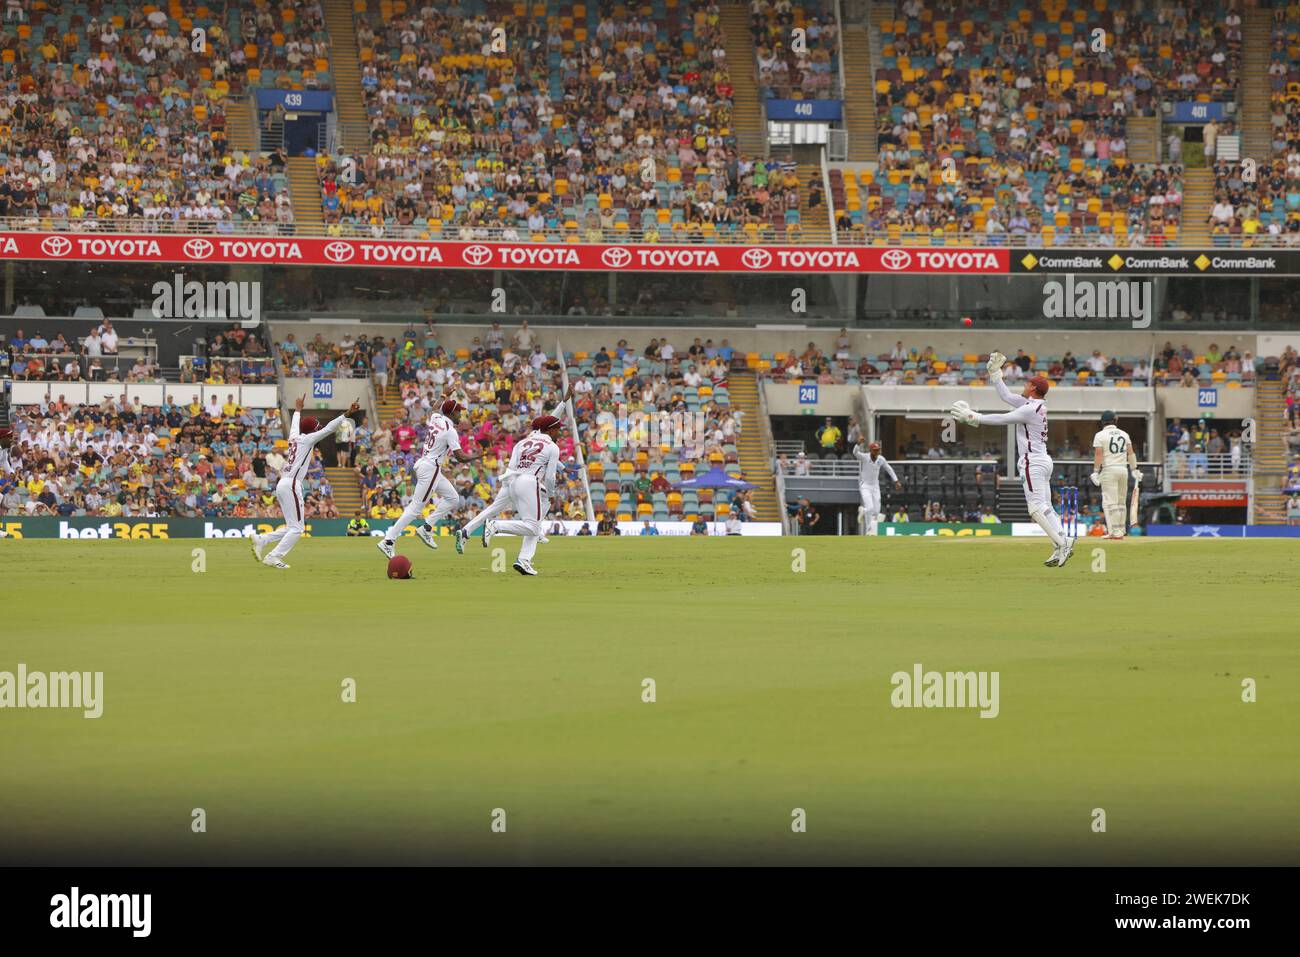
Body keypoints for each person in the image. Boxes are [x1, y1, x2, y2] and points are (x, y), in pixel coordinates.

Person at [949, 351, 1075, 567]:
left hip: (1031, 461)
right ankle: (1063, 541)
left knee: (1035, 509)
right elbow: (1006, 396)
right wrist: (995, 374)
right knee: (1046, 508)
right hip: (1043, 459)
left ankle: (1062, 543)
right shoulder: (1035, 405)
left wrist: (973, 417)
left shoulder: (1029, 409)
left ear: (1033, 388)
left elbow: (1003, 418)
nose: (1024, 385)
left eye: (1028, 384)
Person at [252, 396, 360, 569]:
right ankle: (273, 556)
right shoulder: (308, 439)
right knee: (297, 529)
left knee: (292, 527)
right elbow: (331, 428)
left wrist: (298, 409)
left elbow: (295, 424)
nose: (319, 430)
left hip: (283, 483)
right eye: (317, 429)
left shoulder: (294, 437)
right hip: (291, 484)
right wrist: (347, 413)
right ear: (311, 431)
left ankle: (262, 539)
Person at [460, 413, 568, 576]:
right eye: (558, 430)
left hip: (513, 480)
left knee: (536, 518)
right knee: (532, 526)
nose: (559, 433)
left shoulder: (522, 442)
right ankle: (496, 526)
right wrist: (552, 493)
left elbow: (511, 466)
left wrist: (508, 486)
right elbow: (551, 477)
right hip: (530, 482)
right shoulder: (553, 447)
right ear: (551, 430)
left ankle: (524, 560)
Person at [378, 397, 483, 560]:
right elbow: (460, 457)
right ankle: (388, 541)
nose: (461, 415)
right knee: (415, 509)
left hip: (426, 464)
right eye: (458, 411)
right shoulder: (450, 430)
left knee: (453, 498)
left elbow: (433, 409)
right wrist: (476, 455)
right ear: (452, 412)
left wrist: (443, 395)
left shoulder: (437, 418)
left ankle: (426, 527)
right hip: (431, 468)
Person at [1091, 411, 1140, 539]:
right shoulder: (1124, 434)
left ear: (1102, 422)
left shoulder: (1100, 435)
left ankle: (1114, 532)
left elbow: (1098, 454)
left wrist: (1096, 471)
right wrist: (1134, 469)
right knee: (1121, 502)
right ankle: (1121, 530)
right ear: (1115, 420)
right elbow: (1131, 453)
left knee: (1109, 502)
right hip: (1123, 470)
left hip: (1109, 470)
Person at [852, 440, 902, 535]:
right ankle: (868, 530)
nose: (877, 452)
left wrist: (896, 481)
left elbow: (889, 469)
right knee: (870, 507)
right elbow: (855, 452)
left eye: (878, 450)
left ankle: (863, 511)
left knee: (876, 511)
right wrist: (858, 444)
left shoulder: (881, 459)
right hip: (865, 485)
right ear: (870, 450)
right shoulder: (865, 457)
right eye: (875, 450)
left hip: (875, 486)